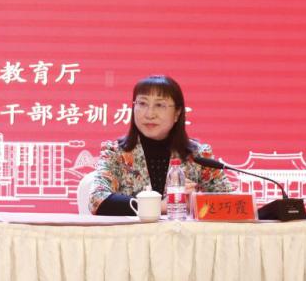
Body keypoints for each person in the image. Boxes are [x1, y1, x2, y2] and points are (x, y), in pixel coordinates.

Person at [89, 75, 232, 215]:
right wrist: (162, 206)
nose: (150, 114)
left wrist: (196, 201)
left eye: (159, 105)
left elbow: (230, 202)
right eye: (142, 103)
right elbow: (97, 200)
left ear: (177, 113)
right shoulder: (115, 153)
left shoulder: (198, 156)